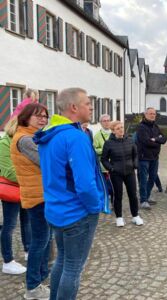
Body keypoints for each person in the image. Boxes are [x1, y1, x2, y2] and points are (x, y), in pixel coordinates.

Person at [34, 88, 106, 300]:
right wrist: (95, 207)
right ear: (74, 107)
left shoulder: (49, 134)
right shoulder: (75, 137)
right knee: (73, 268)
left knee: (62, 261)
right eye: (87, 103)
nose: (91, 107)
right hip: (77, 213)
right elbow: (85, 184)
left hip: (56, 209)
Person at [10, 103, 51, 299]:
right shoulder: (25, 139)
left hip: (41, 195)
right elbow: (47, 161)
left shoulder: (32, 136)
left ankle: (41, 277)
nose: (43, 119)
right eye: (38, 116)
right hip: (37, 197)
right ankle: (33, 287)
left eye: (45, 116)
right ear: (26, 117)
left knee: (45, 239)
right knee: (40, 241)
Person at [0, 118, 31, 275]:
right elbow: (8, 171)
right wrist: (31, 177)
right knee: (9, 225)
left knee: (26, 222)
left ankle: (28, 250)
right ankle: (7, 260)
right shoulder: (4, 143)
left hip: (25, 189)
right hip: (11, 190)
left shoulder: (24, 141)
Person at [101, 121, 144, 227]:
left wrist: (135, 164)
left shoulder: (130, 140)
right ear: (113, 131)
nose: (121, 130)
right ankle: (119, 217)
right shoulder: (108, 143)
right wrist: (111, 168)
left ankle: (135, 216)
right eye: (118, 128)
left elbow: (136, 154)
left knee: (133, 195)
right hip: (116, 173)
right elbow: (104, 159)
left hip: (130, 172)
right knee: (118, 195)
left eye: (122, 127)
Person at [136, 108, 167, 209]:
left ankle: (147, 196)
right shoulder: (141, 127)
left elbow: (164, 139)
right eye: (150, 113)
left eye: (154, 114)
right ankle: (143, 200)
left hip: (154, 157)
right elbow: (146, 142)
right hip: (144, 158)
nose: (152, 115)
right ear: (145, 114)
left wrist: (156, 139)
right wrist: (157, 141)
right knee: (143, 180)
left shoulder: (155, 126)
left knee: (153, 178)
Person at [93, 114, 114, 208]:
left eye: (108, 120)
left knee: (115, 186)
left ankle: (115, 203)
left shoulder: (114, 134)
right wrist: (104, 150)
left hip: (115, 164)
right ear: (101, 123)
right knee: (107, 186)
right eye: (104, 121)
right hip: (104, 166)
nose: (106, 122)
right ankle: (105, 202)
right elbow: (94, 149)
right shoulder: (97, 135)